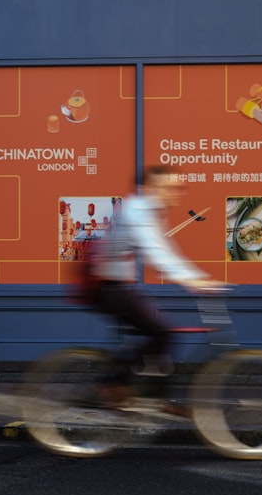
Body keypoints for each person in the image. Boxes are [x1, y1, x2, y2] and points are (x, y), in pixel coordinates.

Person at [86, 165, 221, 412]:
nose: (177, 193)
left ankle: (150, 394)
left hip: (115, 285)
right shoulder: (137, 211)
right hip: (104, 286)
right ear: (149, 189)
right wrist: (192, 280)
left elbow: (166, 251)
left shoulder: (150, 212)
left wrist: (194, 277)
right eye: (169, 188)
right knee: (163, 333)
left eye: (179, 188)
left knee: (159, 331)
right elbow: (157, 252)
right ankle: (112, 384)